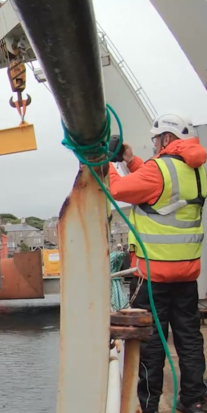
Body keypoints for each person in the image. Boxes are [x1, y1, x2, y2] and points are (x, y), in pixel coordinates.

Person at [108, 112, 206, 413]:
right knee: (189, 339)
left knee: (152, 343)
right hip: (187, 275)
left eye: (156, 140)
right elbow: (161, 193)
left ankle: (148, 405)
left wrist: (107, 163)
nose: (154, 146)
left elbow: (118, 189)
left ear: (166, 138)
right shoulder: (198, 170)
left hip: (154, 278)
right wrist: (131, 160)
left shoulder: (158, 170)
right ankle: (195, 400)